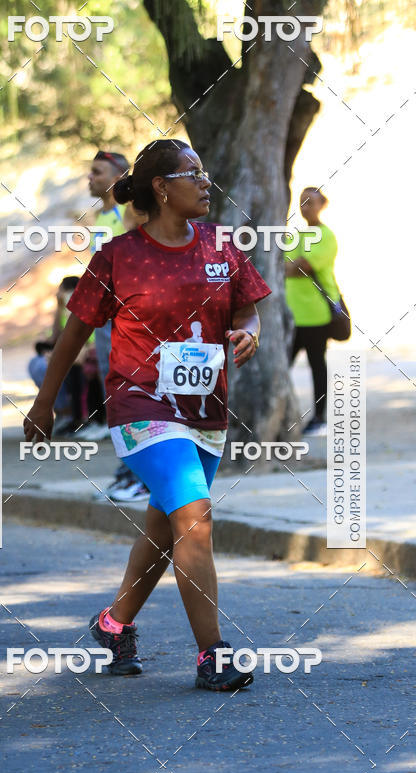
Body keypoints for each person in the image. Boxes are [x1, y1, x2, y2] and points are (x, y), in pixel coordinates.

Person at [24, 139, 271, 691]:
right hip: (141, 406)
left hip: (206, 410)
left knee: (168, 528)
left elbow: (248, 310)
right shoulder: (118, 256)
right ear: (161, 188)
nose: (207, 183)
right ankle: (213, 655)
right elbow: (74, 335)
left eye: (205, 173)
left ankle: (114, 626)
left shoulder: (221, 245)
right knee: (195, 518)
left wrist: (246, 335)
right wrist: (45, 402)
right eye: (194, 174)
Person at [88, 150, 148, 500]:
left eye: (98, 172)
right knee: (116, 398)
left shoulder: (131, 215)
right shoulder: (102, 217)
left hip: (127, 321)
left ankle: (141, 475)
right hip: (104, 319)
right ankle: (126, 471)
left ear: (118, 176)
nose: (90, 178)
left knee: (133, 395)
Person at [285, 187, 341, 437]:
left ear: (322, 205)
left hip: (316, 313)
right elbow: (284, 265)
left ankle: (319, 418)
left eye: (311, 202)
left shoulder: (326, 236)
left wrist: (288, 265)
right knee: (282, 365)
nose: (306, 206)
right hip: (291, 314)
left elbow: (301, 267)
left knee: (316, 365)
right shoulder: (294, 236)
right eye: (302, 202)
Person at [28, 276, 86, 436]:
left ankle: (69, 414)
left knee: (44, 367)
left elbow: (79, 338)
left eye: (64, 291)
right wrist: (59, 308)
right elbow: (56, 336)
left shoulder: (83, 306)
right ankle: (61, 413)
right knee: (35, 363)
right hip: (69, 353)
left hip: (82, 355)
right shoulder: (65, 309)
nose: (60, 295)